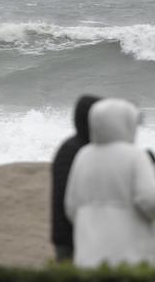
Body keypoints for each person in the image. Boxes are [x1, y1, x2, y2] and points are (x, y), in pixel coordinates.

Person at [65, 98, 155, 268]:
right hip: (129, 254)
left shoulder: (83, 156)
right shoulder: (135, 156)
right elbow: (152, 202)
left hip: (88, 255)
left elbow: (71, 207)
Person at [50, 94, 101, 262]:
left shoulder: (75, 146)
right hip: (69, 237)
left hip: (73, 234)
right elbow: (71, 199)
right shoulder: (74, 150)